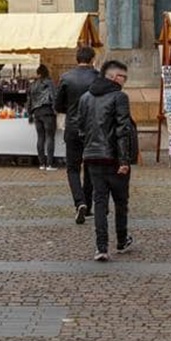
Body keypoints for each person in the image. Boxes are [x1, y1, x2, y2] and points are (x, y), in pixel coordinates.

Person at [77, 59, 138, 261]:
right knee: (121, 201)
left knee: (99, 202)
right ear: (112, 77)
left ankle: (101, 247)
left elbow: (81, 128)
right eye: (123, 77)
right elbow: (123, 129)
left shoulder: (85, 97)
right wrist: (124, 160)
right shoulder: (119, 97)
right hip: (112, 157)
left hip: (92, 156)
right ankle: (121, 240)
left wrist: (87, 152)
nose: (125, 81)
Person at [54, 45, 99, 224]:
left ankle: (79, 202)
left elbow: (58, 105)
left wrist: (71, 110)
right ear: (93, 59)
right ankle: (87, 205)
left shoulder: (66, 77)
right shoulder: (98, 77)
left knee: (73, 168)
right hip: (92, 128)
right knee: (89, 167)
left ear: (77, 59)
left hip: (73, 127)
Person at [28, 64, 58, 170]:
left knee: (40, 138)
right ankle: (50, 164)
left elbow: (29, 100)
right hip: (48, 112)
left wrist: (29, 114)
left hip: (37, 113)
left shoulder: (33, 84)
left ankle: (41, 164)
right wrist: (56, 110)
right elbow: (54, 97)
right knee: (50, 137)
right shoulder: (49, 83)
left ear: (38, 73)